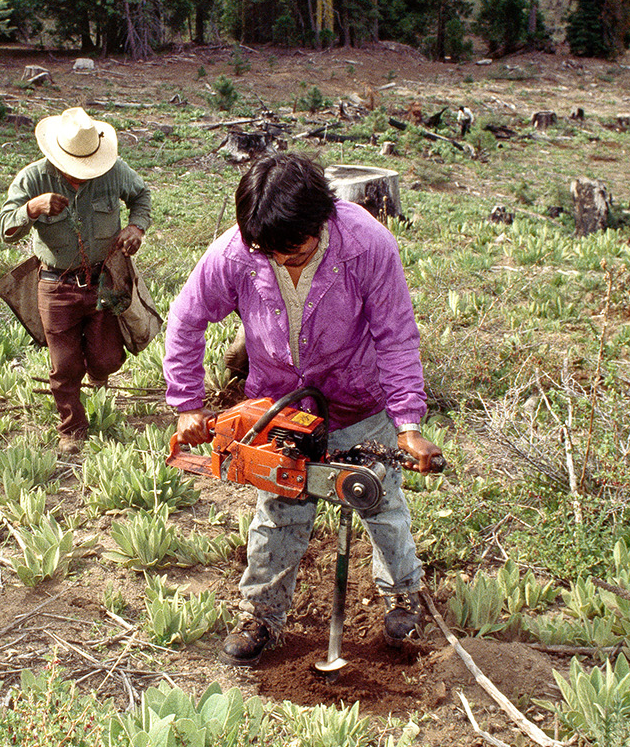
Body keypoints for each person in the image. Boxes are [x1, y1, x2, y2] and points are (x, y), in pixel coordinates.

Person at [163, 153, 444, 667]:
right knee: (278, 510)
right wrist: (187, 403)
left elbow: (397, 337)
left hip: (358, 399)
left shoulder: (367, 245)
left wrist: (407, 424)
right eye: (270, 253)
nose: (283, 262)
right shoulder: (238, 252)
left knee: (379, 501)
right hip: (282, 409)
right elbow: (185, 320)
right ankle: (262, 614)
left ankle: (402, 595)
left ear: (322, 219)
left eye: (294, 252)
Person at [0, 107, 152, 454]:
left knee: (107, 358)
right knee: (64, 364)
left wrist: (136, 226)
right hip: (55, 285)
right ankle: (72, 426)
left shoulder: (115, 173)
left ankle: (99, 373)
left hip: (105, 280)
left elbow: (142, 195)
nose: (80, 176)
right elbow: (4, 228)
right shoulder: (33, 178)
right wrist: (31, 210)